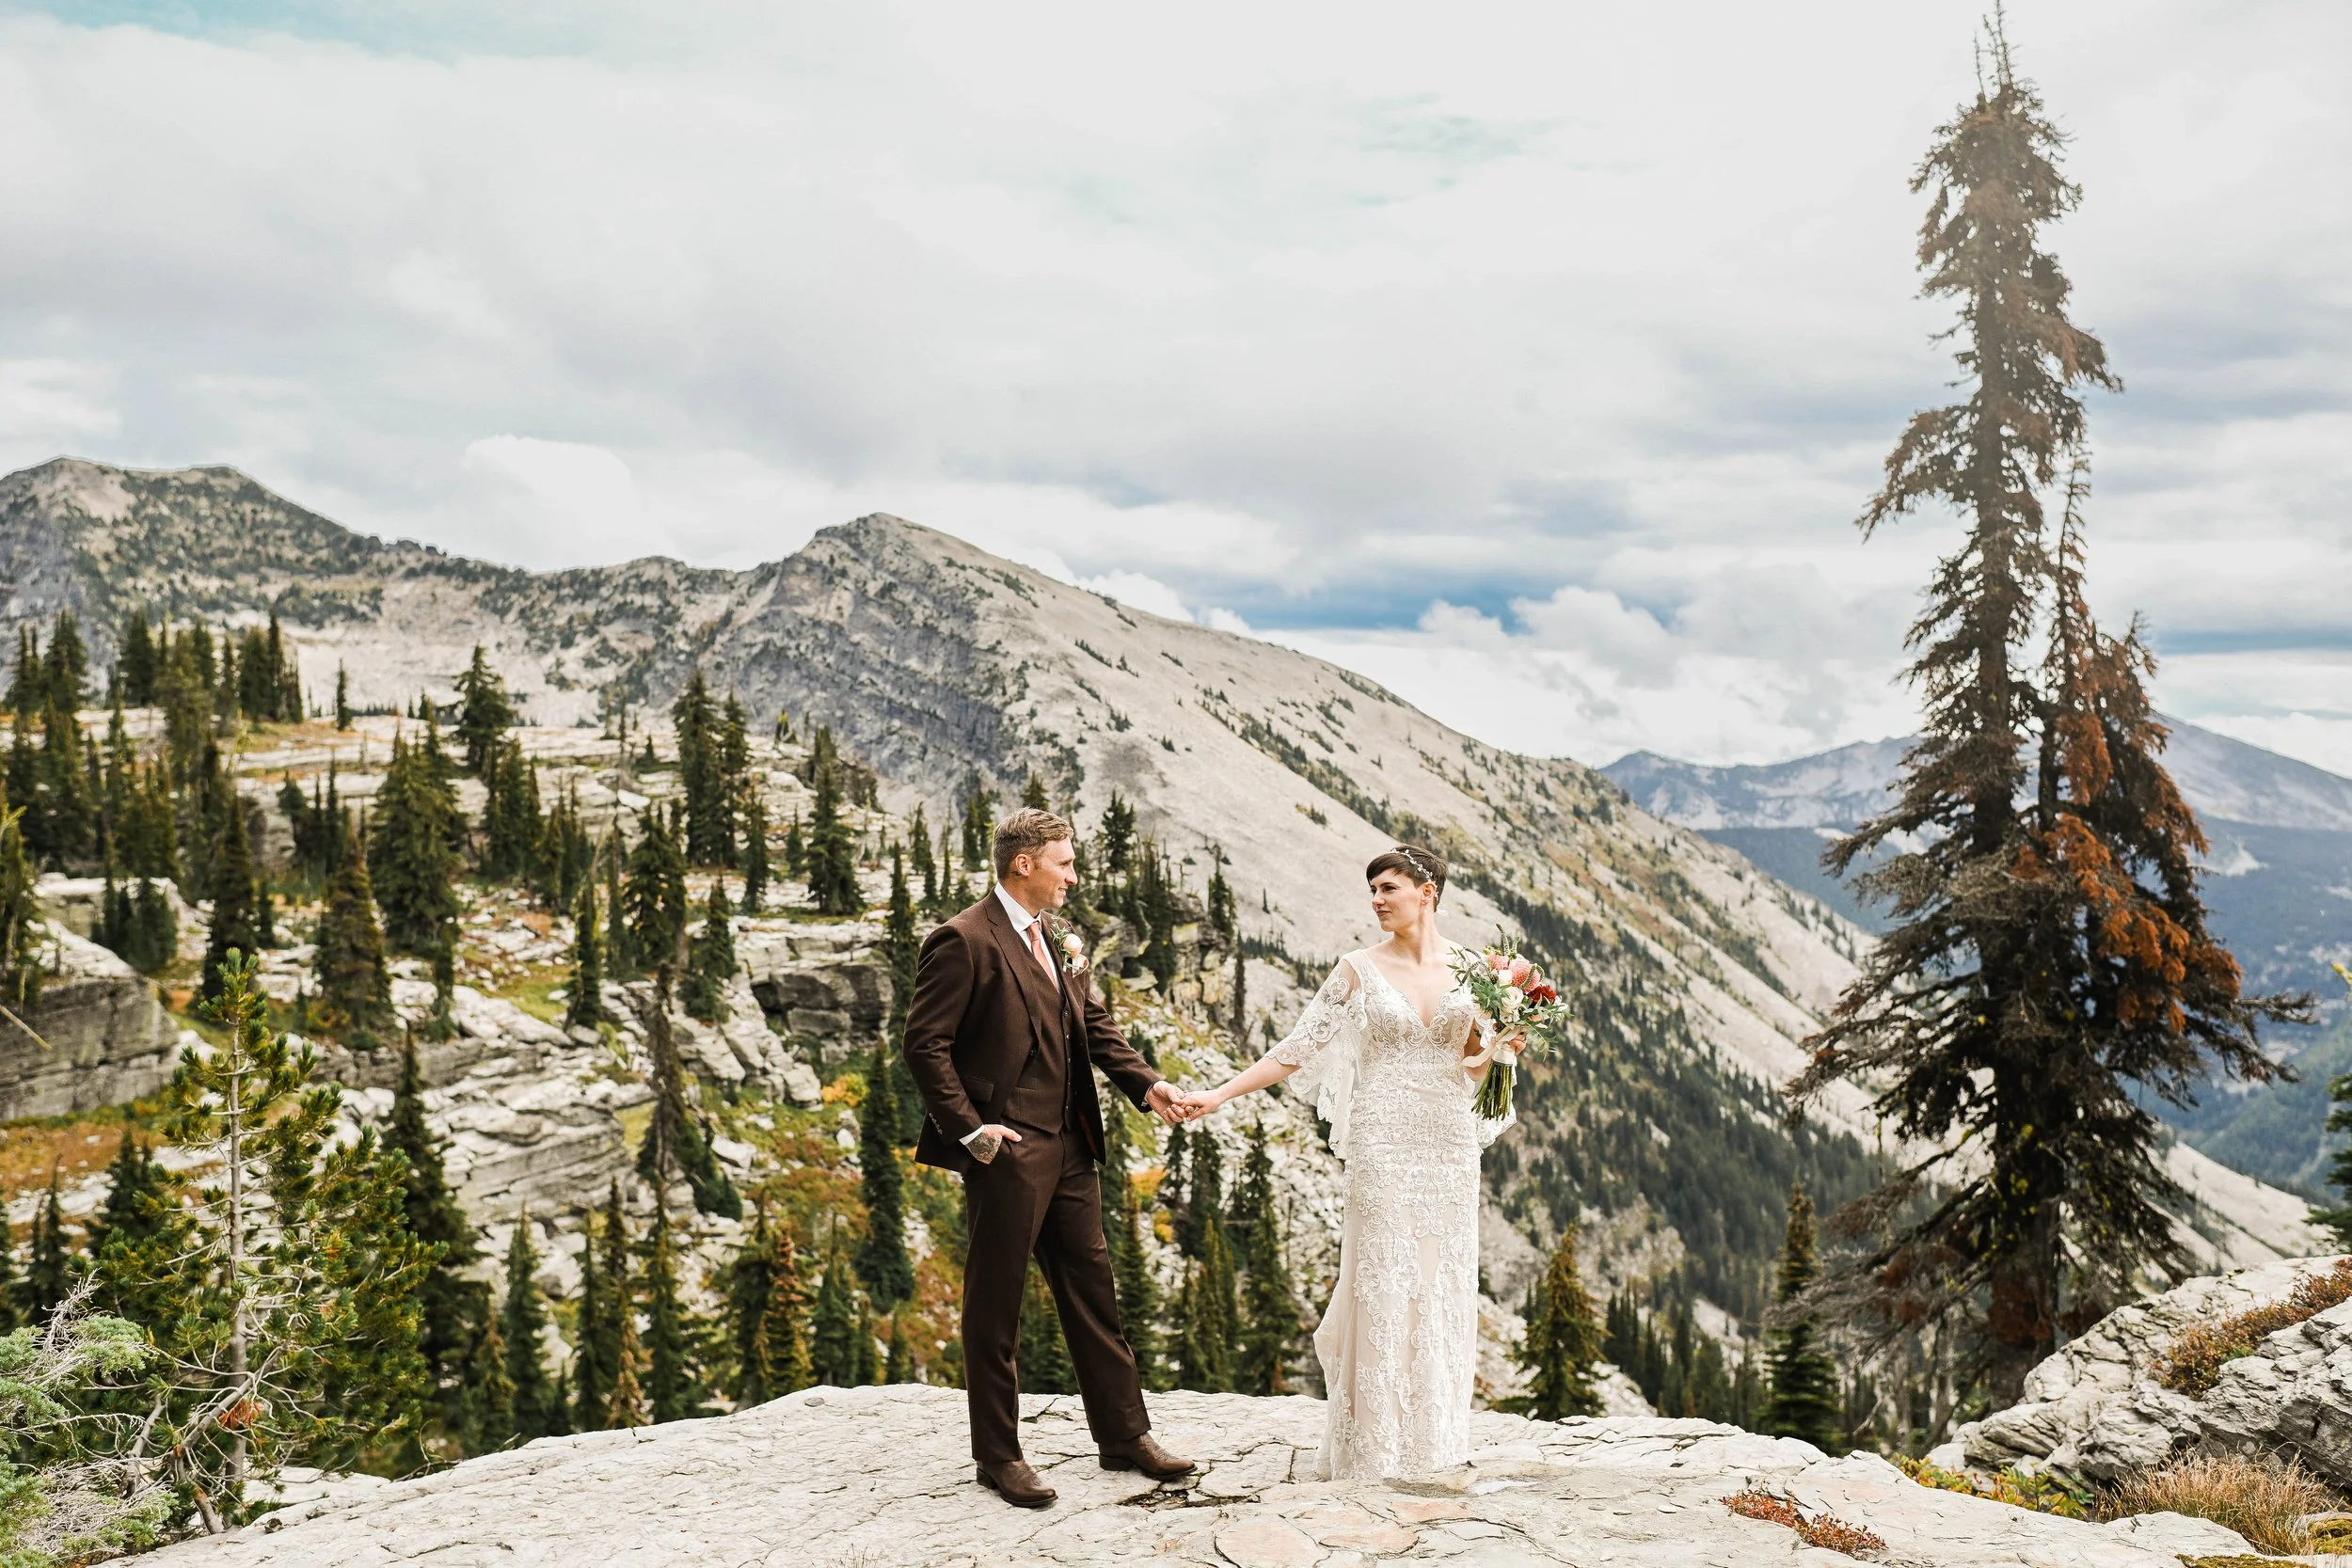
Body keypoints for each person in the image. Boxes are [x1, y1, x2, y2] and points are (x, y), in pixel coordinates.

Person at [1175, 845, 1518, 1480]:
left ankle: (1433, 1442)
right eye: (1373, 890)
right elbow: (1295, 1049)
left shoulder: (1478, 970)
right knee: (1384, 1280)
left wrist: (1500, 1045)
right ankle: (1374, 1450)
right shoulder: (1357, 968)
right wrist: (1217, 1092)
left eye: (1389, 887)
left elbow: (1475, 1062)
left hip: (1447, 1142)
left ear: (1428, 891)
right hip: (1383, 1139)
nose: (1377, 900)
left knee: (1439, 1282)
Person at [902, 807, 1198, 1509]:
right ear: (1024, 864)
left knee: (1094, 1291)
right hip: (1006, 1150)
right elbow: (925, 1043)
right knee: (995, 1305)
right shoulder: (962, 939)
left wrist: (1147, 1082)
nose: (1074, 875)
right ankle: (997, 1456)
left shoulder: (1063, 937)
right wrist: (972, 1130)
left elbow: (1091, 1022)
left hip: (1071, 1145)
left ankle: (1123, 1435)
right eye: (1064, 862)